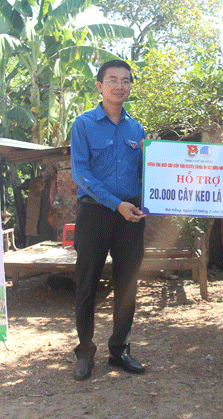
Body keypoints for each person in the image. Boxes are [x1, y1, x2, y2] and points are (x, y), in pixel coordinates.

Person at [70, 59, 147, 381]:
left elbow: (149, 173)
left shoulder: (137, 129)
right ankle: (85, 352)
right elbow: (81, 173)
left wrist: (158, 197)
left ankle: (119, 349)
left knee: (127, 285)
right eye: (113, 80)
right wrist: (117, 204)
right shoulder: (84, 124)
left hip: (131, 216)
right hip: (95, 213)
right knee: (87, 284)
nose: (120, 86)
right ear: (99, 86)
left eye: (126, 80)